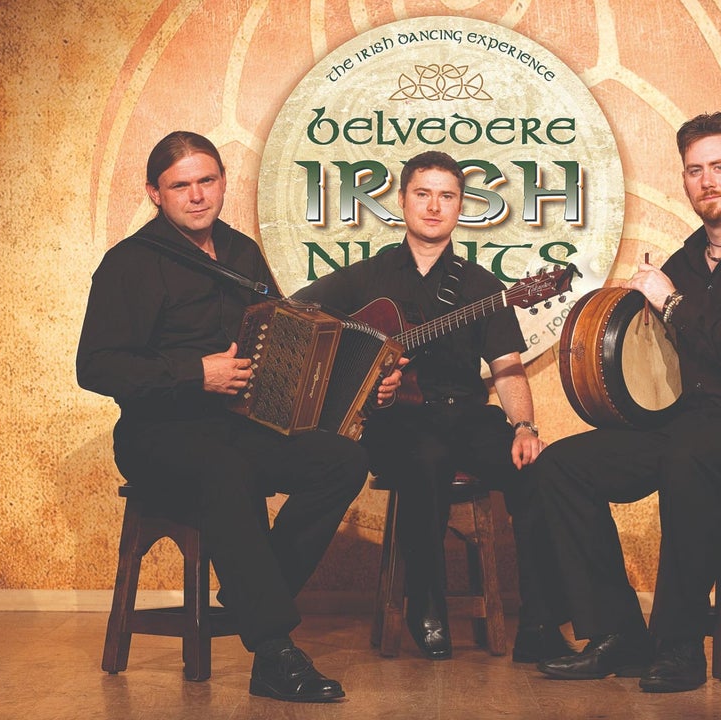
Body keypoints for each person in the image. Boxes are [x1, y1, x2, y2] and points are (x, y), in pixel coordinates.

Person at [77, 131, 402, 703]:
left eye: (207, 181)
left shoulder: (242, 253)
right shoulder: (129, 263)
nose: (197, 195)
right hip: (158, 434)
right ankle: (274, 648)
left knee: (343, 459)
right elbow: (96, 367)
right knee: (224, 467)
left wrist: (366, 379)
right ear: (155, 193)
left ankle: (255, 591)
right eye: (181, 185)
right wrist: (192, 374)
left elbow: (287, 341)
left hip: (239, 422)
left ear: (224, 181)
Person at [531, 112, 721, 692]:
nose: (706, 181)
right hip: (691, 424)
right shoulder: (683, 262)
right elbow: (659, 369)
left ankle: (680, 644)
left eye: (718, 167)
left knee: (689, 455)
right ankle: (619, 634)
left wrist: (671, 305)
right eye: (694, 170)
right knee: (565, 467)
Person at [293, 150, 572, 663]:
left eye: (447, 196)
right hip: (395, 422)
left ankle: (539, 623)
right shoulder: (364, 279)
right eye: (423, 194)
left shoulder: (483, 287)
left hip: (466, 415)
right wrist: (355, 380)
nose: (434, 206)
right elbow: (300, 317)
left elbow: (507, 366)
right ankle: (426, 604)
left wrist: (525, 426)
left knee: (537, 470)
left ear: (461, 207)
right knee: (428, 458)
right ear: (402, 201)